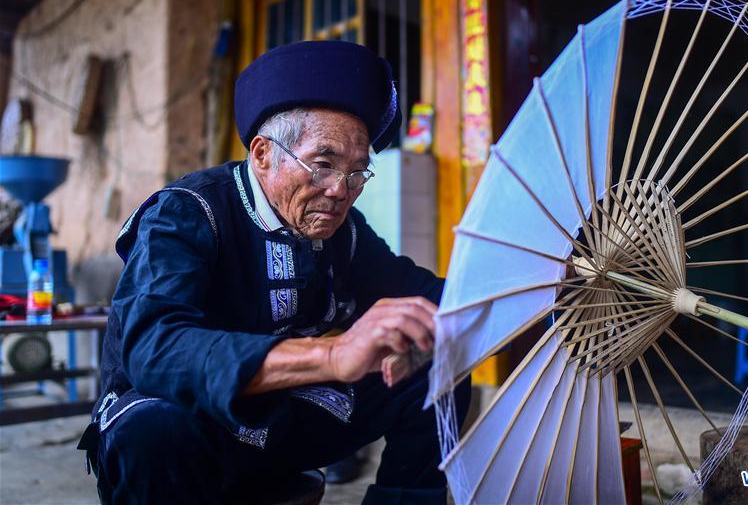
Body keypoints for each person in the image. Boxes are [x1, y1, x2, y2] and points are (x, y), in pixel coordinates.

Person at [78, 41, 470, 504]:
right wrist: (332, 355)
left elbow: (426, 294)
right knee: (154, 429)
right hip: (185, 425)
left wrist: (544, 293)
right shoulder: (187, 212)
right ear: (263, 154)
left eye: (357, 173)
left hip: (279, 417)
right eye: (323, 164)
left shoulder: (343, 231)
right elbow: (154, 350)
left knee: (437, 361)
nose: (340, 190)